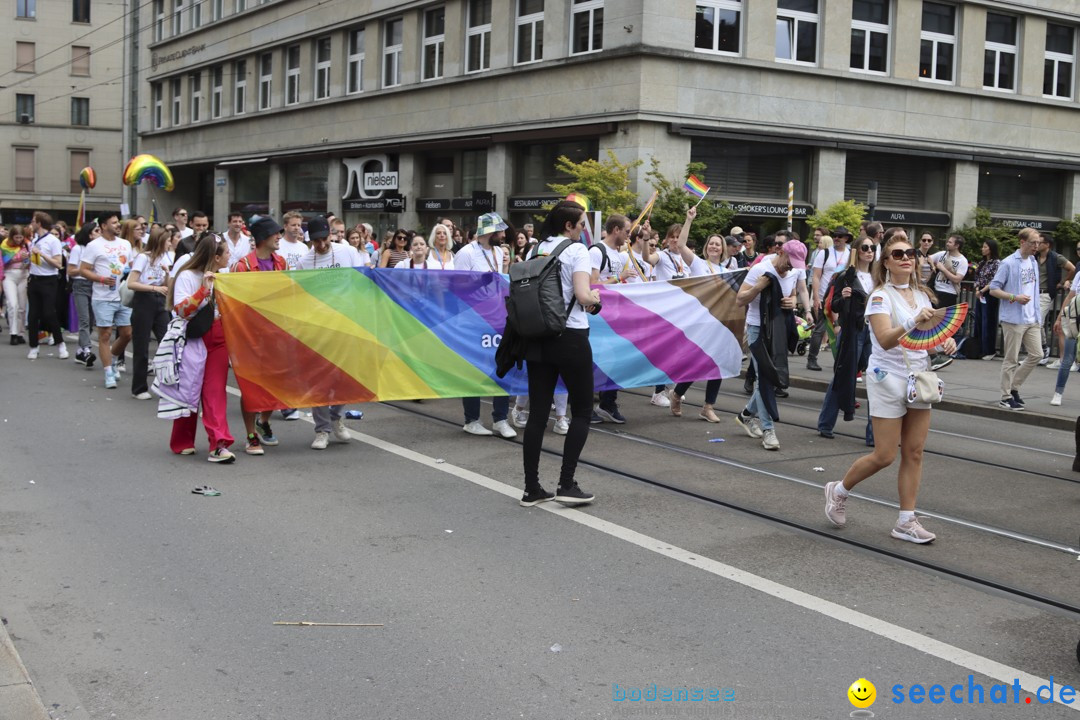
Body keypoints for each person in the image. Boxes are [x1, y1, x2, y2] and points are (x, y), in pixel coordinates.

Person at [824, 231, 955, 544]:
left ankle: (906, 520)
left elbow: (924, 341)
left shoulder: (923, 296)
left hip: (918, 377)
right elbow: (884, 339)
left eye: (909, 253)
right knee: (884, 455)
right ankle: (839, 490)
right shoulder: (880, 296)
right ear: (886, 262)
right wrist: (913, 322)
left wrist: (943, 343)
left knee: (915, 452)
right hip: (887, 378)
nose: (906, 258)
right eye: (898, 254)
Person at [519, 200, 602, 507]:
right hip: (570, 336)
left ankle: (531, 489)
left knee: (538, 415)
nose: (583, 231)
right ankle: (566, 483)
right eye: (581, 225)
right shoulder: (576, 250)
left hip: (537, 336)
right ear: (569, 226)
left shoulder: (534, 249)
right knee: (581, 411)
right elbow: (582, 296)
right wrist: (593, 297)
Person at [164, 234, 235, 462]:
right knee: (189, 388)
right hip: (194, 337)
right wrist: (204, 290)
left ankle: (218, 443)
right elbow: (182, 310)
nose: (230, 255)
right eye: (226, 252)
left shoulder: (224, 276)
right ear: (215, 257)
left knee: (215, 392)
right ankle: (182, 440)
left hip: (219, 337)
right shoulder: (187, 275)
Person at [734, 239, 806, 451]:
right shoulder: (760, 269)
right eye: (789, 262)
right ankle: (768, 430)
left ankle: (747, 414)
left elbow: (793, 294)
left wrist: (793, 302)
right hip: (758, 329)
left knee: (773, 377)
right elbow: (740, 300)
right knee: (764, 378)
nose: (790, 267)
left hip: (778, 329)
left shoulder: (793, 273)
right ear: (780, 251)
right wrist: (758, 287)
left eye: (795, 264)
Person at [455, 212, 516, 438]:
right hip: (472, 320)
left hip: (497, 317)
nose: (503, 234)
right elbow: (456, 288)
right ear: (487, 232)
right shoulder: (466, 253)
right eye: (499, 231)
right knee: (474, 368)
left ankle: (500, 419)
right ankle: (471, 419)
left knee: (502, 365)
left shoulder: (499, 252)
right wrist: (479, 282)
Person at [230, 216, 288, 454]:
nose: (279, 237)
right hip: (250, 336)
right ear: (264, 237)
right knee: (250, 387)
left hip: (275, 335)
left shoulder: (281, 262)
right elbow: (234, 303)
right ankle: (251, 435)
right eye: (276, 234)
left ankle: (263, 421)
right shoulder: (242, 265)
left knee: (274, 384)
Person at [297, 216, 355, 450]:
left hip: (345, 324)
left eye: (324, 239)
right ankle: (322, 430)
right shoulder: (304, 262)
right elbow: (299, 295)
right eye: (316, 241)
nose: (321, 245)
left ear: (330, 235)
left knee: (344, 377)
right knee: (319, 380)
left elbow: (360, 280)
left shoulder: (346, 252)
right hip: (317, 327)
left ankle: (336, 416)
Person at [817, 237, 876, 442]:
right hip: (853, 331)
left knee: (878, 379)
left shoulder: (878, 277)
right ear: (857, 251)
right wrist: (844, 297)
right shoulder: (846, 276)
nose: (870, 251)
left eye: (873, 248)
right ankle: (826, 423)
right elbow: (833, 305)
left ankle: (873, 435)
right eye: (865, 248)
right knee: (843, 376)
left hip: (875, 331)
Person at [669, 226, 727, 423]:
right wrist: (689, 220)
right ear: (706, 247)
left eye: (717, 244)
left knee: (717, 365)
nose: (714, 246)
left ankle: (708, 407)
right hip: (699, 322)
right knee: (697, 363)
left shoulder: (729, 271)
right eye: (711, 243)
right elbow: (682, 244)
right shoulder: (698, 264)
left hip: (718, 324)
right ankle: (677, 394)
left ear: (722, 249)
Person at [988, 227, 1041, 411]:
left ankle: (1013, 387)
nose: (1036, 246)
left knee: (1037, 354)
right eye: (1033, 242)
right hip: (1013, 318)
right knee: (1011, 359)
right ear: (1022, 242)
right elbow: (994, 289)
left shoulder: (1033, 262)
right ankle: (1005, 396)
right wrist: (1014, 297)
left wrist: (1037, 313)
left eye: (1038, 243)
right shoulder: (1008, 263)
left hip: (1031, 318)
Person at [79, 210, 132, 388]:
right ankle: (108, 371)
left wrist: (129, 273)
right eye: (114, 222)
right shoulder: (94, 245)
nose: (118, 225)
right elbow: (83, 269)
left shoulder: (125, 244)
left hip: (123, 296)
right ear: (103, 226)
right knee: (105, 335)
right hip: (102, 297)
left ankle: (114, 357)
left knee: (127, 334)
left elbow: (130, 266)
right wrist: (100, 279)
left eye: (118, 222)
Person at [590, 214, 632, 423]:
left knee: (616, 360)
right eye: (626, 231)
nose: (628, 235)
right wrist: (619, 278)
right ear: (616, 230)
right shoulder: (597, 251)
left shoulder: (619, 254)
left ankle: (608, 402)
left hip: (615, 316)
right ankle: (587, 405)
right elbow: (592, 284)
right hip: (597, 318)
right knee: (594, 362)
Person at [127, 226, 173, 400]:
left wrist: (168, 274)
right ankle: (139, 387)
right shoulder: (143, 258)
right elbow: (132, 283)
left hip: (160, 302)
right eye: (168, 240)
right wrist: (154, 287)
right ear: (160, 241)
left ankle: (166, 385)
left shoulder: (164, 257)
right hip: (144, 301)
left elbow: (166, 284)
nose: (170, 243)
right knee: (141, 345)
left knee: (167, 343)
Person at [807, 225, 852, 371]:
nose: (836, 238)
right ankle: (811, 359)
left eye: (840, 236)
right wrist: (815, 298)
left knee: (842, 328)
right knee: (820, 329)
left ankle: (841, 360)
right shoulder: (824, 253)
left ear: (846, 238)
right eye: (835, 236)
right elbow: (816, 276)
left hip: (842, 298)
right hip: (825, 297)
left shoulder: (851, 254)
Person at [25, 212, 69, 361]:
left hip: (49, 280)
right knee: (33, 315)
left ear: (40, 223)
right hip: (34, 279)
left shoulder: (53, 240)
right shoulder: (34, 239)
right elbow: (34, 260)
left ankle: (60, 344)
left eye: (33, 221)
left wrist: (42, 254)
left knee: (49, 313)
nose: (31, 223)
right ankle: (33, 346)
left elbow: (58, 264)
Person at [928, 234, 969, 370]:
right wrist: (933, 267)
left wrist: (943, 269)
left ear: (957, 245)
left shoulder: (962, 261)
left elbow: (957, 279)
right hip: (936, 291)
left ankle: (941, 349)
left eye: (950, 242)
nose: (947, 243)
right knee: (931, 322)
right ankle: (934, 351)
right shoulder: (942, 254)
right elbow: (929, 258)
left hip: (949, 294)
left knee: (942, 323)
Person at [1036, 233, 1074, 365]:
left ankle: (1043, 349)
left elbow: (1072, 268)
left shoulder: (1055, 257)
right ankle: (1037, 352)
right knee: (1030, 322)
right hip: (1032, 293)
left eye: (1040, 242)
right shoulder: (1033, 257)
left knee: (1038, 321)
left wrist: (1062, 281)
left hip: (1046, 293)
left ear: (1047, 245)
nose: (1037, 244)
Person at [67, 222, 98, 367]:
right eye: (96, 231)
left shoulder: (99, 249)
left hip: (95, 285)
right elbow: (71, 271)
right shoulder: (78, 249)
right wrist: (85, 269)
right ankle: (86, 350)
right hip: (80, 284)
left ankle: (80, 351)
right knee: (84, 319)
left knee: (91, 320)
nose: (99, 234)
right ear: (89, 234)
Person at [1051, 269, 1080, 406]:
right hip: (1076, 321)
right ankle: (1058, 393)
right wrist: (1059, 318)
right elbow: (1070, 297)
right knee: (1068, 359)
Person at [972, 238, 1001, 361]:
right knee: (978, 320)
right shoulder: (982, 263)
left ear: (991, 248)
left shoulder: (997, 263)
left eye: (985, 247)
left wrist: (983, 290)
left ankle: (989, 349)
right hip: (981, 292)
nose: (983, 249)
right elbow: (977, 277)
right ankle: (979, 348)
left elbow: (995, 279)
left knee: (988, 321)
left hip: (990, 292)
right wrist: (978, 289)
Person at [2, 225, 30, 345]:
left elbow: (29, 263)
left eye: (20, 237)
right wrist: (19, 257)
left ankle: (20, 332)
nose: (18, 239)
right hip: (9, 276)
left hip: (23, 275)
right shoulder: (4, 245)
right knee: (12, 304)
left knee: (22, 307)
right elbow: (4, 260)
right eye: (16, 237)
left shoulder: (27, 245)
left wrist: (26, 259)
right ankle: (13, 333)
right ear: (12, 236)